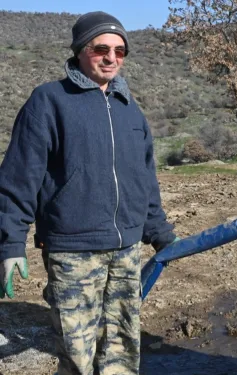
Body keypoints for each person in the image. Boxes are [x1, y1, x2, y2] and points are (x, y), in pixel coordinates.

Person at [0, 11, 178, 375]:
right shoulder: (49, 101)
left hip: (126, 251)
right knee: (77, 350)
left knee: (122, 348)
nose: (112, 58)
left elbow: (145, 180)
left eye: (120, 51)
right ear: (81, 50)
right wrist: (10, 243)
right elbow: (20, 178)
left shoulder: (131, 110)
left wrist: (160, 234)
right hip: (72, 250)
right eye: (101, 48)